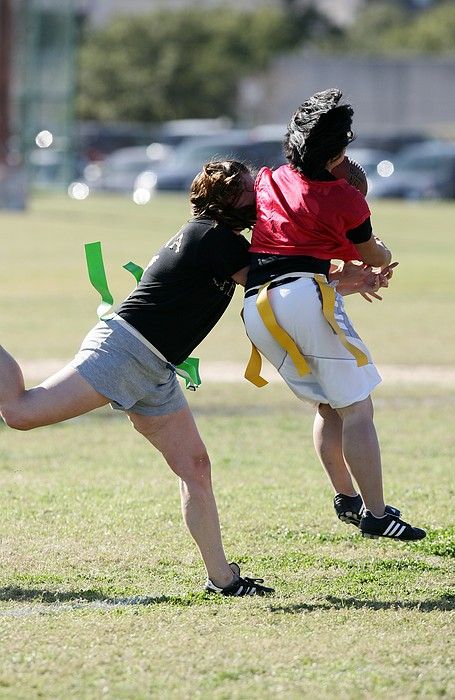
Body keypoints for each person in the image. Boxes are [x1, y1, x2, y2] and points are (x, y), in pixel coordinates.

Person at [0, 160, 274, 597]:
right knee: (19, 412)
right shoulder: (213, 237)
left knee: (195, 468)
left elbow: (273, 279)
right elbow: (275, 284)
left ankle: (223, 579)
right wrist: (341, 273)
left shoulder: (219, 238)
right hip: (126, 351)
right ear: (223, 199)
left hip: (155, 368)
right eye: (247, 190)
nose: (257, 197)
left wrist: (341, 277)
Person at [242, 88, 426, 541]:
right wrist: (380, 259)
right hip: (305, 298)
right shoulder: (346, 199)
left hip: (257, 307)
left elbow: (293, 256)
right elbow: (373, 253)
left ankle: (348, 498)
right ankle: (378, 516)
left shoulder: (268, 179)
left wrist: (345, 279)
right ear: (338, 152)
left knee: (329, 404)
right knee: (358, 408)